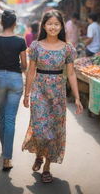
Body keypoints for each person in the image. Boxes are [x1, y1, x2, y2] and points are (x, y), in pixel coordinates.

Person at [22, 10, 83, 183]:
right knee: (41, 130)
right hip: (39, 93)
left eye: (57, 24)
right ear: (44, 26)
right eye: (50, 24)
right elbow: (31, 71)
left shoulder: (68, 48)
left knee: (54, 132)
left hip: (58, 94)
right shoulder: (35, 46)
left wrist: (77, 97)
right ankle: (39, 154)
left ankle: (47, 167)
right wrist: (27, 94)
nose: (53, 27)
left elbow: (71, 74)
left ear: (61, 26)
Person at [0, 10, 27, 171]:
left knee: (1, 116)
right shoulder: (20, 41)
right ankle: (7, 158)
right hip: (16, 79)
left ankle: (5, 150)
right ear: (15, 23)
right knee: (10, 119)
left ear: (2, 23)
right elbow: (24, 65)